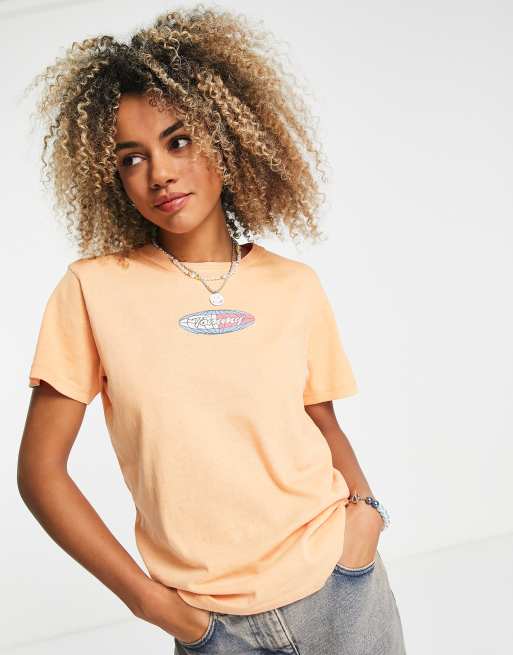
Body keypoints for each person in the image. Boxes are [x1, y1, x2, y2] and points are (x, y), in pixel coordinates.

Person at [18, 6, 407, 654]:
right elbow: (40, 472)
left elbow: (321, 420)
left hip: (344, 591)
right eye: (132, 158)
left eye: (178, 141)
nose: (160, 173)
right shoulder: (93, 291)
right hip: (212, 628)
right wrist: (151, 603)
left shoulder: (293, 285)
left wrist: (365, 519)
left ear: (227, 137)